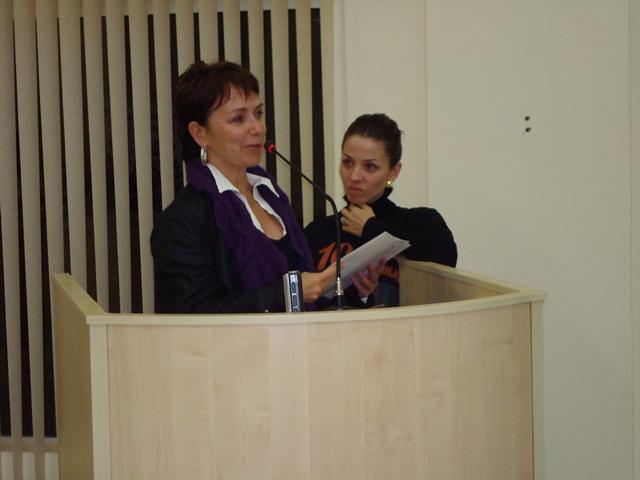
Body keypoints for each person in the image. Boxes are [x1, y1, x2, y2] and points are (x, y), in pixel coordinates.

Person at [151, 60, 338, 313]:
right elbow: (192, 316)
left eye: (258, 114)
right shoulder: (182, 221)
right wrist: (288, 291)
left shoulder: (270, 197)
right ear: (200, 134)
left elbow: (304, 291)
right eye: (238, 119)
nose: (257, 128)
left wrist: (343, 288)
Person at [304, 113, 458, 307]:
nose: (354, 176)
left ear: (393, 172)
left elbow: (446, 259)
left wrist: (372, 228)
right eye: (348, 162)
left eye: (370, 167)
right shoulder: (318, 231)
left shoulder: (419, 221)